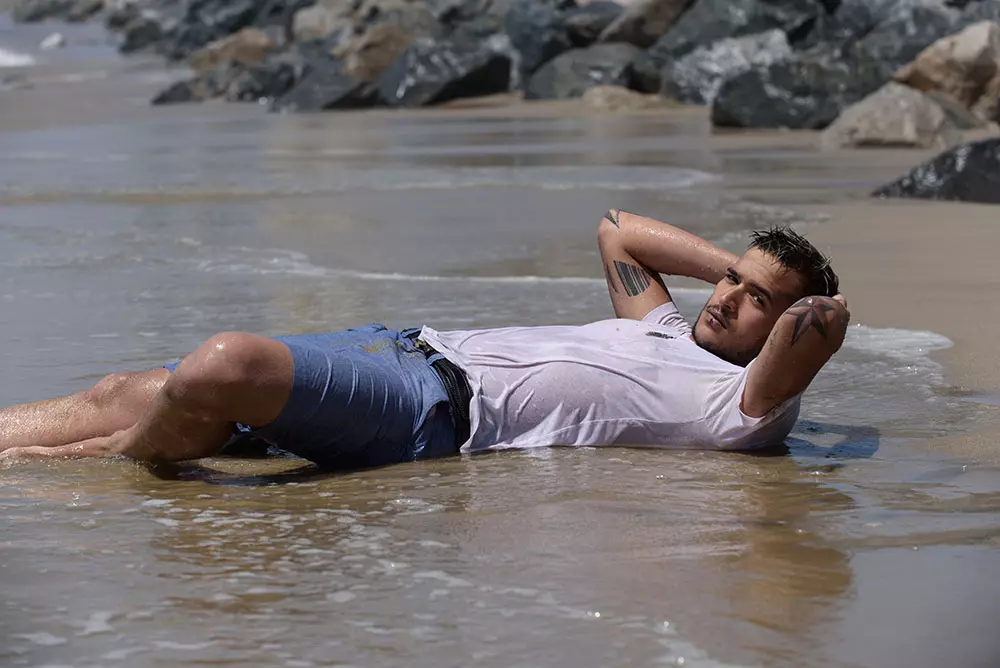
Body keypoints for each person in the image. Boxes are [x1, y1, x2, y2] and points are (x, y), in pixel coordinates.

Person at [0, 211, 849, 468]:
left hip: (436, 408)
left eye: (754, 299)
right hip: (400, 346)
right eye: (730, 282)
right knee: (125, 391)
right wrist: (734, 276)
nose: (730, 298)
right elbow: (616, 229)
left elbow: (817, 325)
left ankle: (114, 471)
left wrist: (800, 305)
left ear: (786, 330)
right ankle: (94, 444)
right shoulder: (665, 324)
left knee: (223, 367)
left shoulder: (743, 407)